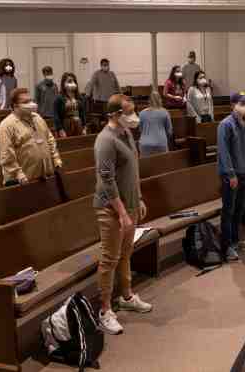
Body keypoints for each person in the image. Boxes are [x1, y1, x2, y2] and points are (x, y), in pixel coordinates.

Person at [94, 94, 152, 335]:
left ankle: (126, 296)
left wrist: (137, 198)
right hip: (110, 209)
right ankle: (104, 310)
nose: (134, 116)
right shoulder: (105, 140)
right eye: (129, 112)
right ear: (115, 115)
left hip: (129, 205)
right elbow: (107, 181)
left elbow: (132, 170)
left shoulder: (126, 133)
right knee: (110, 259)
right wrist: (121, 213)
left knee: (126, 253)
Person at [217, 92, 245, 262]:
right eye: (242, 103)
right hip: (230, 175)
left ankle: (235, 240)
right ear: (233, 105)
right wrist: (230, 174)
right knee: (229, 210)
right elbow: (223, 152)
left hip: (243, 173)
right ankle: (226, 247)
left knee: (239, 209)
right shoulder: (225, 125)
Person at [0, 88, 62, 186]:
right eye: (26, 102)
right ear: (15, 106)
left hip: (45, 176)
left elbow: (49, 139)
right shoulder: (6, 125)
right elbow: (6, 155)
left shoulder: (37, 118)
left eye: (31, 100)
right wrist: (18, 174)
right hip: (23, 181)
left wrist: (56, 158)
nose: (31, 104)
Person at [138, 92, 173, 157]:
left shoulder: (141, 113)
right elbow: (169, 131)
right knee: (163, 165)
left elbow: (140, 129)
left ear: (149, 101)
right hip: (160, 142)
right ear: (160, 100)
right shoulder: (165, 112)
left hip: (145, 144)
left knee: (146, 166)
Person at [53, 73, 87, 138]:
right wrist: (60, 130)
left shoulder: (79, 98)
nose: (72, 83)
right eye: (69, 81)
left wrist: (84, 127)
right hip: (66, 126)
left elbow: (82, 113)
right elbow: (56, 116)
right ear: (64, 84)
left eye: (73, 81)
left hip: (78, 125)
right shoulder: (59, 98)